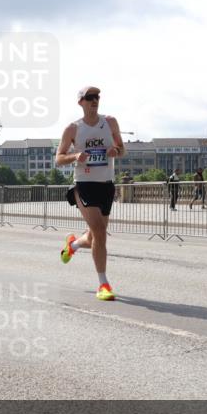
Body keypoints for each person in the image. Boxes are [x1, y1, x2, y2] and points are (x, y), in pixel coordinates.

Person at [56, 85, 124, 302]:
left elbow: (122, 149)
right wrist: (75, 156)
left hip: (106, 183)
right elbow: (58, 158)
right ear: (81, 102)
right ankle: (103, 284)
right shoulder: (73, 129)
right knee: (100, 231)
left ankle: (73, 245)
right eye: (90, 97)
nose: (95, 100)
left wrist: (116, 150)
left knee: (96, 235)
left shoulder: (110, 122)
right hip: (84, 184)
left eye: (97, 97)